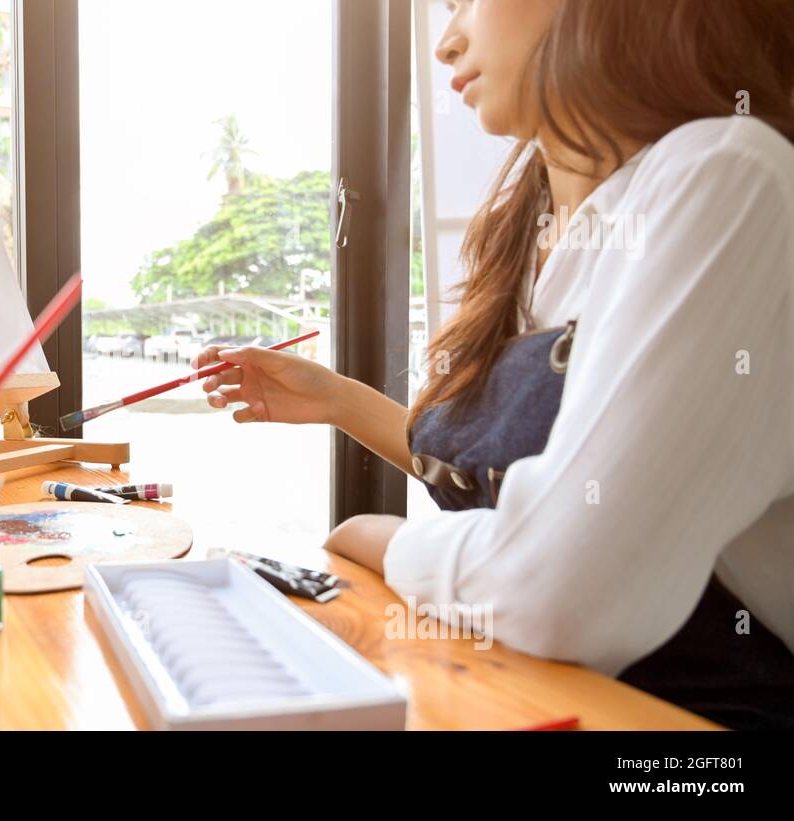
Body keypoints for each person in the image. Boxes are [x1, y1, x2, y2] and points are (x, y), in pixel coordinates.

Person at [192, 0, 794, 729]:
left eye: (466, 2)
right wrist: (338, 400)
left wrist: (383, 539)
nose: (446, 43)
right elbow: (524, 475)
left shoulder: (730, 174)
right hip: (533, 695)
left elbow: (570, 588)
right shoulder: (536, 234)